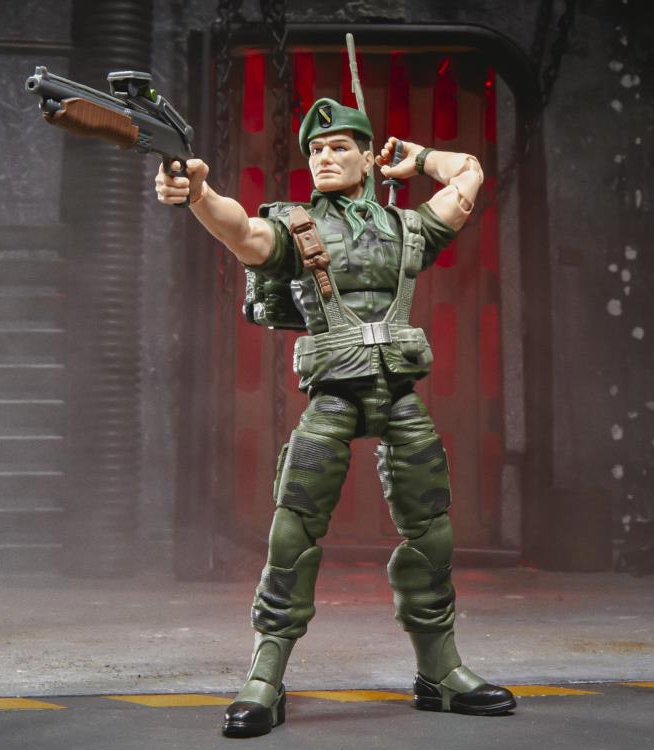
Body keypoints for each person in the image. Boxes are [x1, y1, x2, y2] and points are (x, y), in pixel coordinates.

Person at [155, 97, 516, 738]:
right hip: (334, 396)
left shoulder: (407, 228)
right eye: (316, 150)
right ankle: (265, 678)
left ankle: (440, 672)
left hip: (399, 393)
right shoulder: (298, 228)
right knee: (292, 533)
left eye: (340, 147)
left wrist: (417, 158)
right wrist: (200, 194)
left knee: (432, 532)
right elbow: (242, 232)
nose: (323, 157)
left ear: (367, 158)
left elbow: (469, 174)